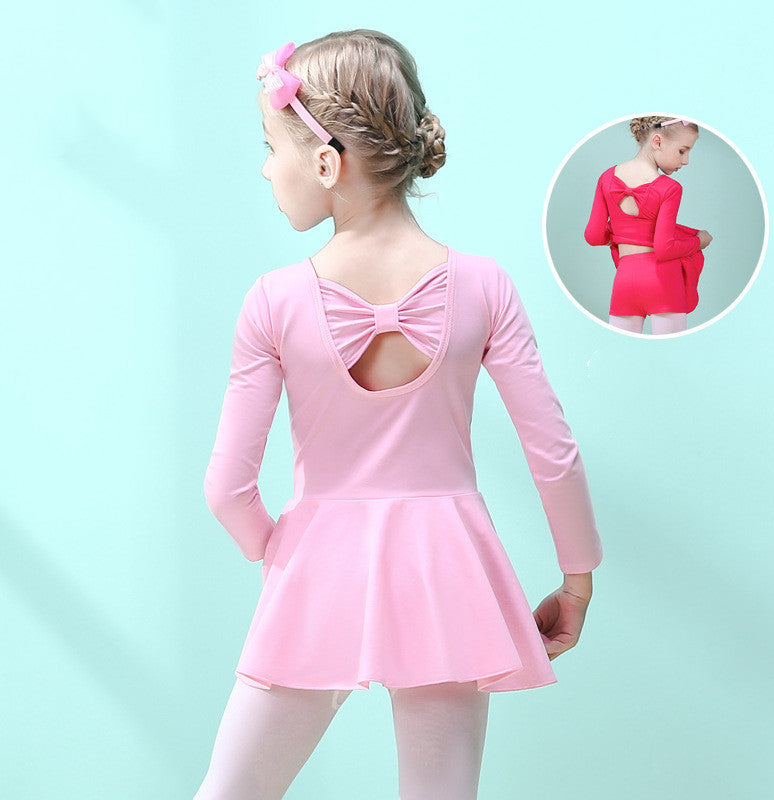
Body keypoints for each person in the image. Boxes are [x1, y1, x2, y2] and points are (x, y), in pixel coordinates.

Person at [195, 30, 602, 800]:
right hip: (450, 573)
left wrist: (279, 554)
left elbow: (227, 490)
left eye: (271, 147)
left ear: (325, 163)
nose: (265, 168)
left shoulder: (272, 302)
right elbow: (554, 453)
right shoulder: (485, 286)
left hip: (315, 566)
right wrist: (576, 581)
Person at [584, 116, 713, 335]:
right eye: (682, 151)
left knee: (622, 349)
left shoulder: (606, 178)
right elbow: (664, 249)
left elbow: (593, 236)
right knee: (670, 351)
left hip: (625, 281)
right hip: (663, 281)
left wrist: (621, 234)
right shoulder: (669, 188)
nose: (686, 161)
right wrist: (698, 242)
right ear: (657, 141)